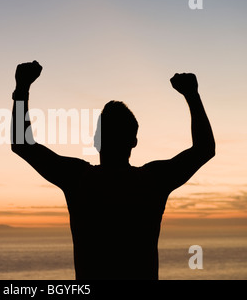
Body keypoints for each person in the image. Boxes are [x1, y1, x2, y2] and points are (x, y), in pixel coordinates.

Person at [11, 61, 215, 280]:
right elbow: (204, 149)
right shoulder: (152, 180)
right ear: (134, 141)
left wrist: (22, 88)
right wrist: (192, 94)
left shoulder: (78, 178)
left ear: (96, 140)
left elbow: (21, 144)